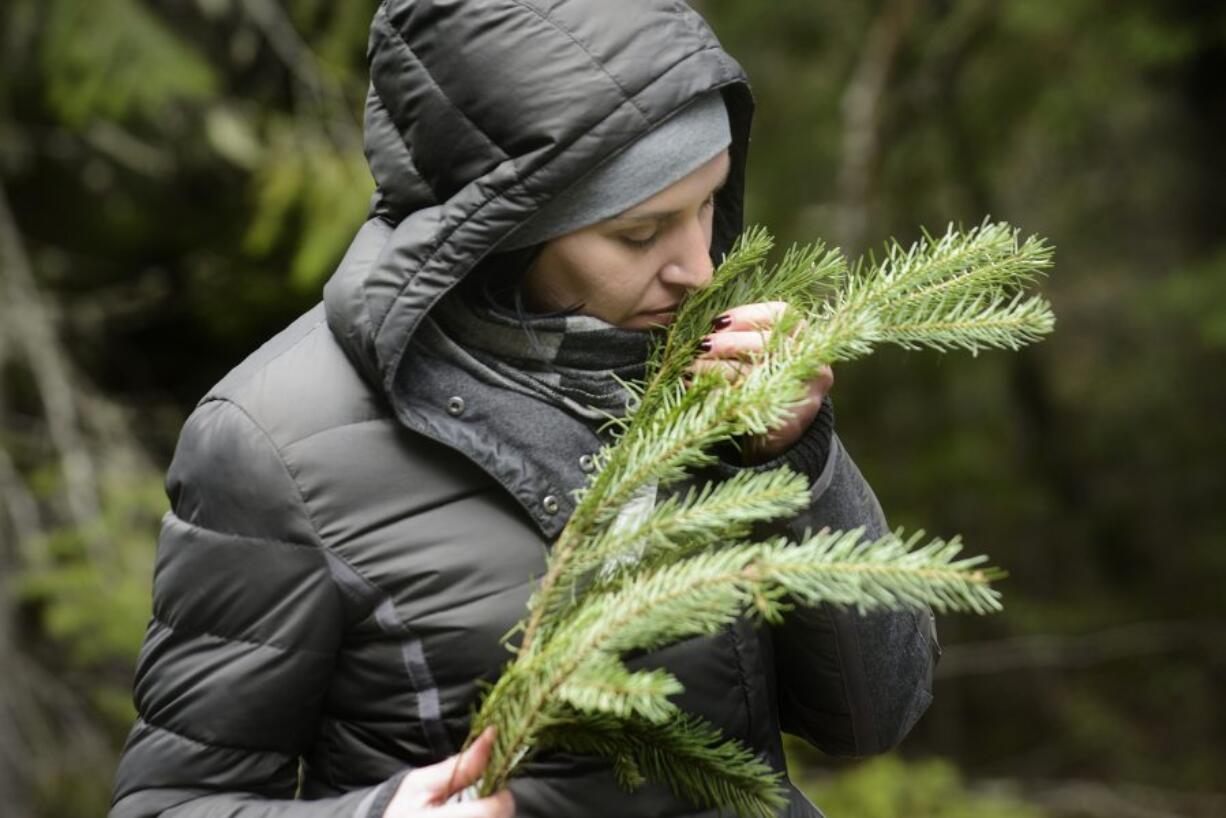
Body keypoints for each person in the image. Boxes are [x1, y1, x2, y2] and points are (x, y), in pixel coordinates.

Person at [109, 2, 940, 817]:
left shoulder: (705, 362)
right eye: (641, 233)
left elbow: (876, 715)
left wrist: (799, 457)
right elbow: (169, 801)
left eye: (709, 206)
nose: (699, 269)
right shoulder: (274, 444)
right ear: (500, 231)